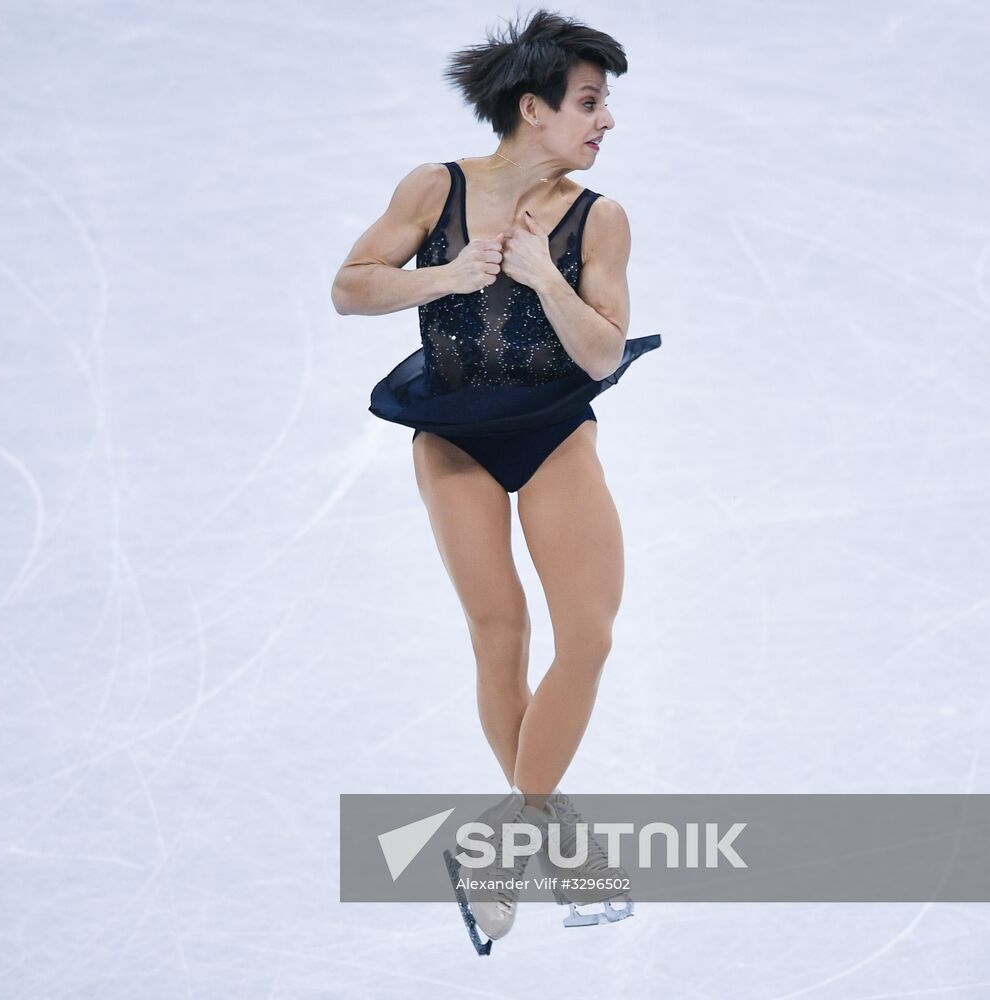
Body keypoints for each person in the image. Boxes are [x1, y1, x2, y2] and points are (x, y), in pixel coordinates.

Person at [331, 9, 653, 942]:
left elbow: (600, 355)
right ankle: (546, 839)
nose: (606, 122)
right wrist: (447, 276)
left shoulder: (602, 219)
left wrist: (544, 281)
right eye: (590, 102)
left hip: (552, 431)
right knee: (500, 631)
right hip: (454, 437)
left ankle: (505, 844)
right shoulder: (435, 190)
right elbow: (351, 285)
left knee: (586, 638)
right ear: (533, 108)